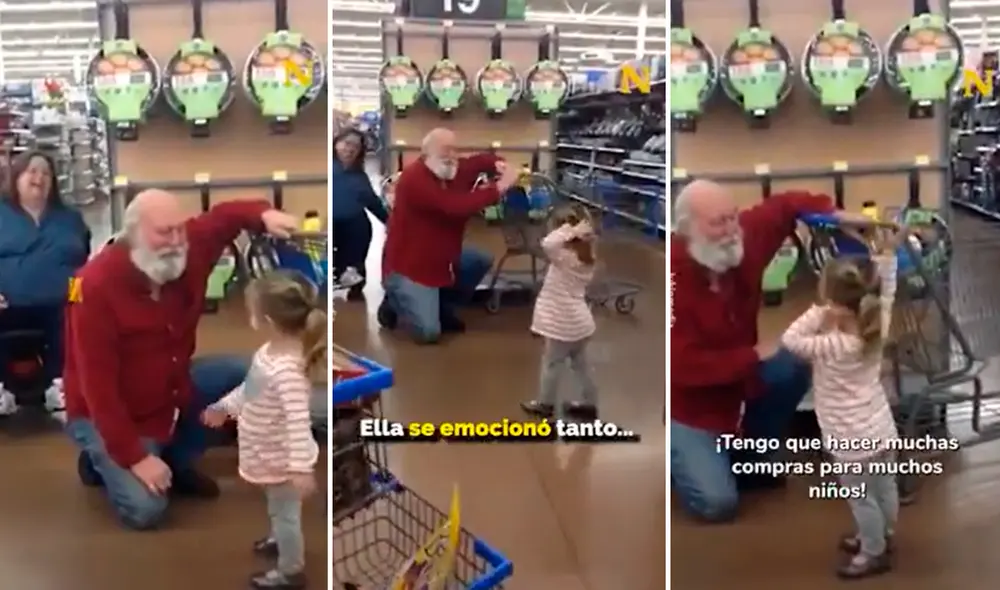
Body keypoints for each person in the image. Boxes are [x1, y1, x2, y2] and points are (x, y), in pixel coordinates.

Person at [62, 189, 299, 530]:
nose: (176, 241)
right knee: (147, 510)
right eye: (163, 232)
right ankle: (100, 458)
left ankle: (174, 458)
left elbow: (224, 217)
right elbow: (97, 389)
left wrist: (263, 216)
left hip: (168, 389)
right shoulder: (93, 287)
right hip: (109, 412)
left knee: (247, 373)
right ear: (133, 234)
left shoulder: (189, 247)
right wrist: (136, 457)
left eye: (179, 229)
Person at [671, 180, 878, 523]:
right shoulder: (674, 280)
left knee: (793, 363)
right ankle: (685, 454)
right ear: (687, 229)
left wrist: (833, 215)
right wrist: (752, 356)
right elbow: (681, 367)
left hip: (739, 389)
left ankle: (744, 457)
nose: (729, 231)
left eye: (732, 218)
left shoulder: (743, 241)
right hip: (692, 410)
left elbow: (785, 205)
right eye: (717, 223)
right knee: (717, 504)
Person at [781, 234, 899, 579]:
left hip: (850, 439)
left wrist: (821, 310)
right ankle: (882, 534)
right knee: (884, 487)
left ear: (833, 300)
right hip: (880, 428)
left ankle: (873, 552)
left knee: (862, 498)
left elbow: (790, 340)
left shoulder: (833, 344)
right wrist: (887, 260)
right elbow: (887, 291)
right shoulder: (877, 326)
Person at [202, 270, 325, 590]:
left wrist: (300, 469)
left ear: (267, 319)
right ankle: (278, 538)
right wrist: (225, 408)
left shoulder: (288, 371)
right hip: (266, 449)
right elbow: (250, 390)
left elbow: (299, 422)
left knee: (286, 516)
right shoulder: (268, 353)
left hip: (283, 460)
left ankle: (290, 571)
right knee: (278, 507)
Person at [378, 128, 519, 344]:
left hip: (442, 259)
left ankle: (442, 306)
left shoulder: (451, 168)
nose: (452, 156)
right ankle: (393, 300)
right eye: (445, 151)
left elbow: (477, 162)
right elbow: (454, 207)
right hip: (408, 266)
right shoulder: (414, 179)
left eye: (454, 149)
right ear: (426, 155)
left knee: (479, 260)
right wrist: (498, 187)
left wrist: (497, 163)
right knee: (428, 333)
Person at [0, 151, 90, 402]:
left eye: (46, 173)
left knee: (78, 317)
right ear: (17, 177)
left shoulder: (70, 218)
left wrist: (76, 296)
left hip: (60, 301)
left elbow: (82, 264)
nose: (39, 177)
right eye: (32, 171)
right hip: (7, 302)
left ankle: (59, 385)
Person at [520, 205, 600, 421]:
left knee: (551, 364)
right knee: (581, 364)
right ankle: (590, 403)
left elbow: (548, 243)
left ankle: (545, 404)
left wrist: (570, 230)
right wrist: (578, 231)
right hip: (581, 323)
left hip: (563, 324)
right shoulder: (587, 256)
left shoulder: (564, 257)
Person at [332, 128, 389, 301]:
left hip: (355, 227)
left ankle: (354, 287)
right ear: (336, 144)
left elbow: (373, 202)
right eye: (346, 143)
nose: (349, 149)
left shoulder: (359, 177)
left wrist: (391, 222)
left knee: (354, 270)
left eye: (355, 147)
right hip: (332, 226)